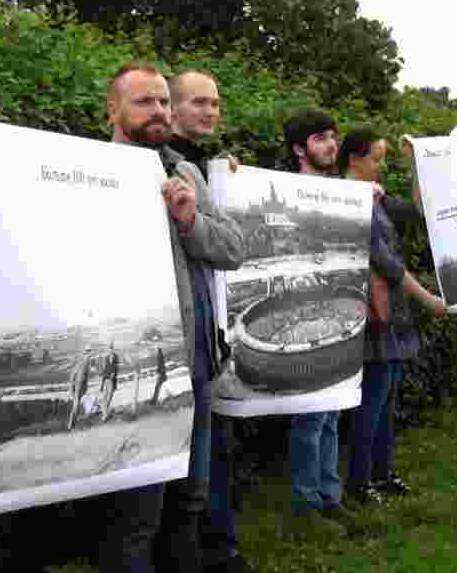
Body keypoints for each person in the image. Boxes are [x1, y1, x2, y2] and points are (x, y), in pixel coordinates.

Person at [87, 61, 243, 573]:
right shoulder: (91, 174)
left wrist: (190, 220)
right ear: (112, 109)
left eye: (161, 101)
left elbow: (233, 247)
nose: (158, 111)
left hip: (196, 362)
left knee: (190, 499)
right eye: (143, 102)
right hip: (139, 370)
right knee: (136, 514)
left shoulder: (185, 171)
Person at [168, 69, 248, 573]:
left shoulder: (198, 165)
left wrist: (218, 179)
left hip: (204, 338)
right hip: (175, 339)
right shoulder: (164, 165)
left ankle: (211, 547)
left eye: (215, 103)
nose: (211, 111)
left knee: (208, 456)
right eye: (199, 102)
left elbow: (231, 246)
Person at [339, 126, 445, 504]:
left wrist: (418, 164)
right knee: (371, 404)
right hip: (373, 313)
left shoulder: (375, 197)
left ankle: (382, 474)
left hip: (391, 312)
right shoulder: (350, 200)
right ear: (354, 159)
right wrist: (428, 299)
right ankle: (360, 481)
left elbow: (419, 211)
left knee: (387, 403)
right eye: (376, 159)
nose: (380, 166)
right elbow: (387, 265)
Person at [276, 108, 359, 539]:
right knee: (310, 415)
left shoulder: (337, 193)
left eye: (333, 136)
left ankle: (330, 496)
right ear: (298, 148)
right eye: (321, 138)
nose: (331, 144)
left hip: (335, 310)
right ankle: (308, 502)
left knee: (330, 411)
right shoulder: (287, 191)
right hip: (303, 309)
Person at [69, 349, 93, 430]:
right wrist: (71, 389)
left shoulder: (86, 366)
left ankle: (73, 424)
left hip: (81, 388)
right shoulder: (80, 364)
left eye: (89, 357)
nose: (88, 358)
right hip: (77, 388)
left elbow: (85, 379)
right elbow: (72, 377)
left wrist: (85, 388)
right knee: (75, 406)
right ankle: (71, 425)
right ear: (84, 355)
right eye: (87, 356)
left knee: (77, 406)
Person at [100, 343, 119, 421]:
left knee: (109, 398)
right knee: (104, 398)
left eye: (111, 349)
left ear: (113, 349)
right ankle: (105, 416)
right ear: (108, 350)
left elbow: (116, 368)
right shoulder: (106, 358)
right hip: (106, 380)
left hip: (112, 381)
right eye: (109, 349)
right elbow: (104, 369)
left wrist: (114, 374)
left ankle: (105, 414)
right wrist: (102, 376)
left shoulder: (116, 357)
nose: (110, 350)